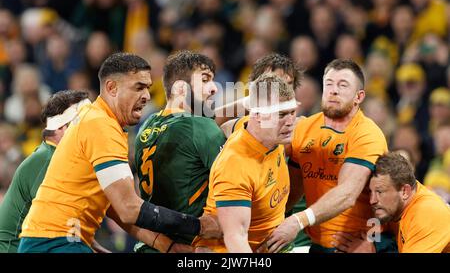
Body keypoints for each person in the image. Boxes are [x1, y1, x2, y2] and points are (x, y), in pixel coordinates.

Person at [18, 52, 220, 253]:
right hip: (54, 241)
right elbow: (128, 208)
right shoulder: (101, 125)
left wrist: (167, 246)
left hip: (52, 239)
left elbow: (115, 208)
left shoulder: (100, 120)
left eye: (148, 88)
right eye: (138, 87)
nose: (147, 96)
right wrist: (200, 226)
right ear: (112, 88)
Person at [264, 59, 389, 253]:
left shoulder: (367, 134)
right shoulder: (305, 127)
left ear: (359, 96)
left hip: (356, 245)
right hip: (317, 244)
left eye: (343, 85)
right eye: (329, 83)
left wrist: (297, 221)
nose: (334, 90)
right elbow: (293, 186)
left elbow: (347, 194)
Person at [133, 50, 226, 253]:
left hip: (150, 244)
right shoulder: (200, 128)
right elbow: (237, 188)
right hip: (187, 246)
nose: (213, 89)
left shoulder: (147, 125)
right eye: (205, 80)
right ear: (182, 88)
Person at [193, 73, 297, 252]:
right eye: (281, 114)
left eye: (292, 112)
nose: (290, 122)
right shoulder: (236, 164)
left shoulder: (268, 134)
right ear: (257, 115)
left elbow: (226, 125)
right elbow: (236, 238)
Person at [0, 90, 90, 252]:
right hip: (13, 247)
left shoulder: (54, 156)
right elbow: (58, 224)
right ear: (63, 127)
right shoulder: (46, 160)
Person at [332, 152, 450, 253]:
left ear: (404, 191)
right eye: (370, 192)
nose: (372, 200)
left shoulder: (426, 213)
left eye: (380, 192)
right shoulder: (395, 208)